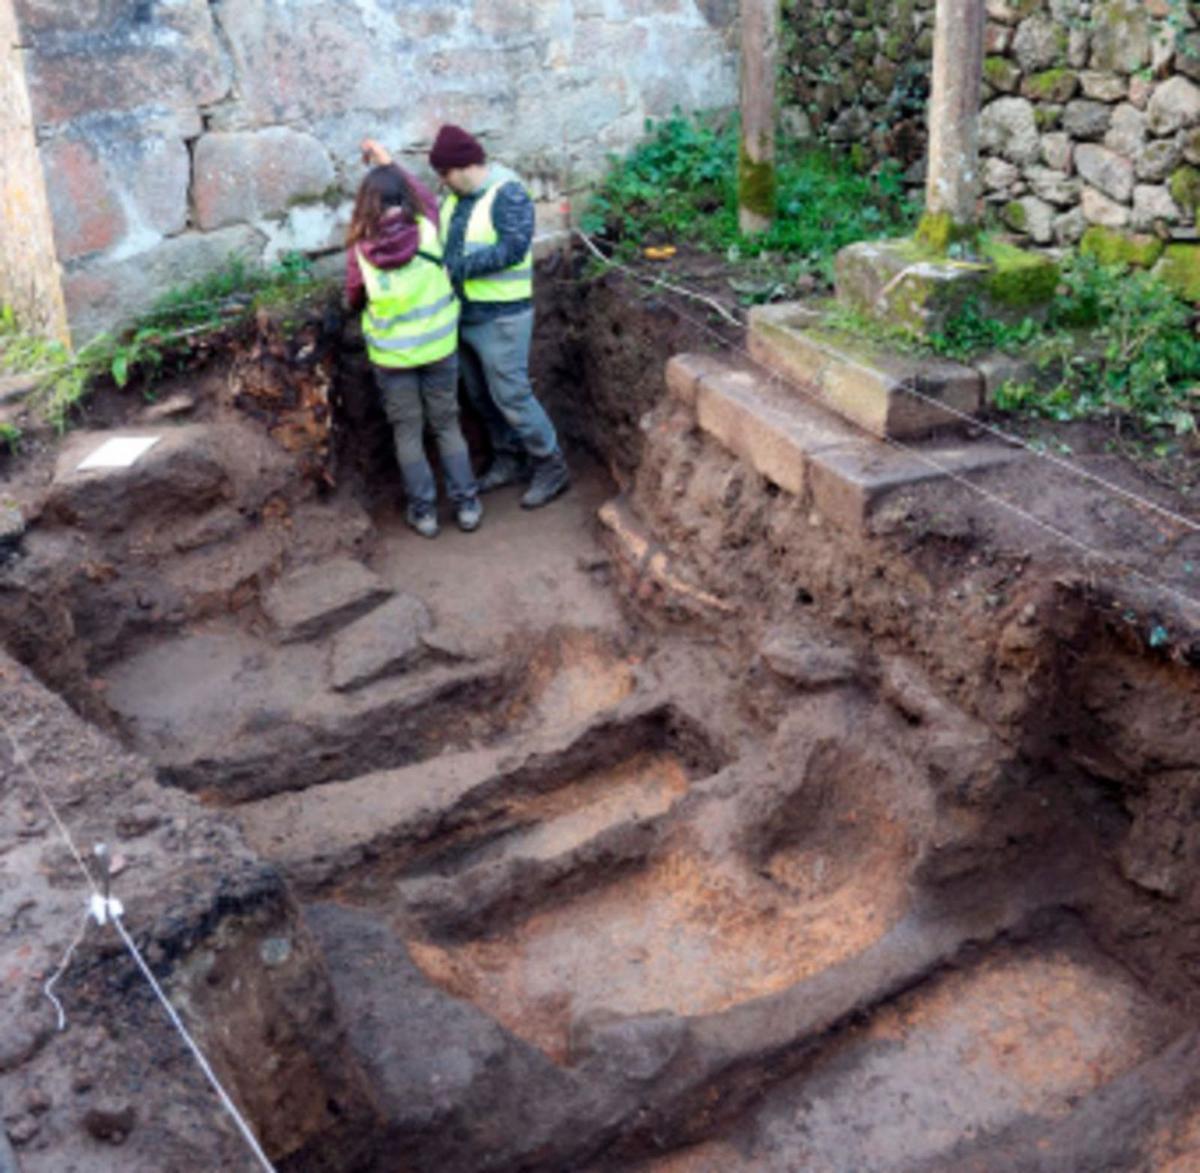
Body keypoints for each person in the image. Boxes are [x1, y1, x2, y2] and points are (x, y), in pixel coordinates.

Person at [428, 124, 570, 509]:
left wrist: (456, 269)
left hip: (502, 317)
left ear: (462, 166)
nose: (442, 182)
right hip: (463, 313)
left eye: (444, 173)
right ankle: (508, 459)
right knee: (479, 395)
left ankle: (551, 465)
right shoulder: (454, 198)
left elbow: (513, 248)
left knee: (512, 395)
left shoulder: (508, 193)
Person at [345, 156, 482, 539]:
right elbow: (427, 196)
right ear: (405, 195)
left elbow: (353, 296)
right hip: (439, 347)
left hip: (392, 357)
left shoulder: (360, 249)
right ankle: (467, 505)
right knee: (447, 424)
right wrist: (390, 162)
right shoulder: (427, 227)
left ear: (366, 202)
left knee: (408, 432)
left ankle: (424, 514)